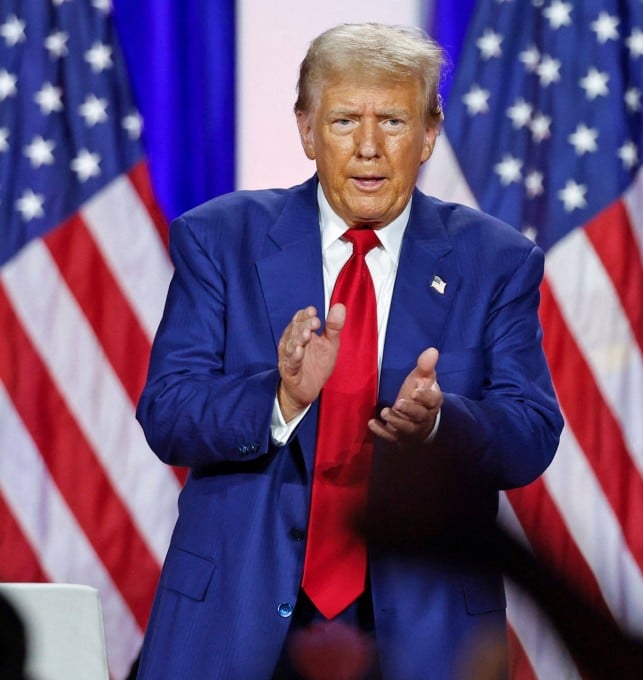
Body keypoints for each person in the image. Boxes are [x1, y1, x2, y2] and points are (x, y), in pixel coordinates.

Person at [134, 22, 563, 679]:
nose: (368, 147)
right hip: (237, 627)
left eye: (392, 120)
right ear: (306, 130)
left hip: (425, 631)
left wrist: (443, 421)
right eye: (342, 121)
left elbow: (531, 434)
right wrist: (279, 398)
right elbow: (168, 412)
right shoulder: (221, 239)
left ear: (430, 133)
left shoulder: (497, 260)